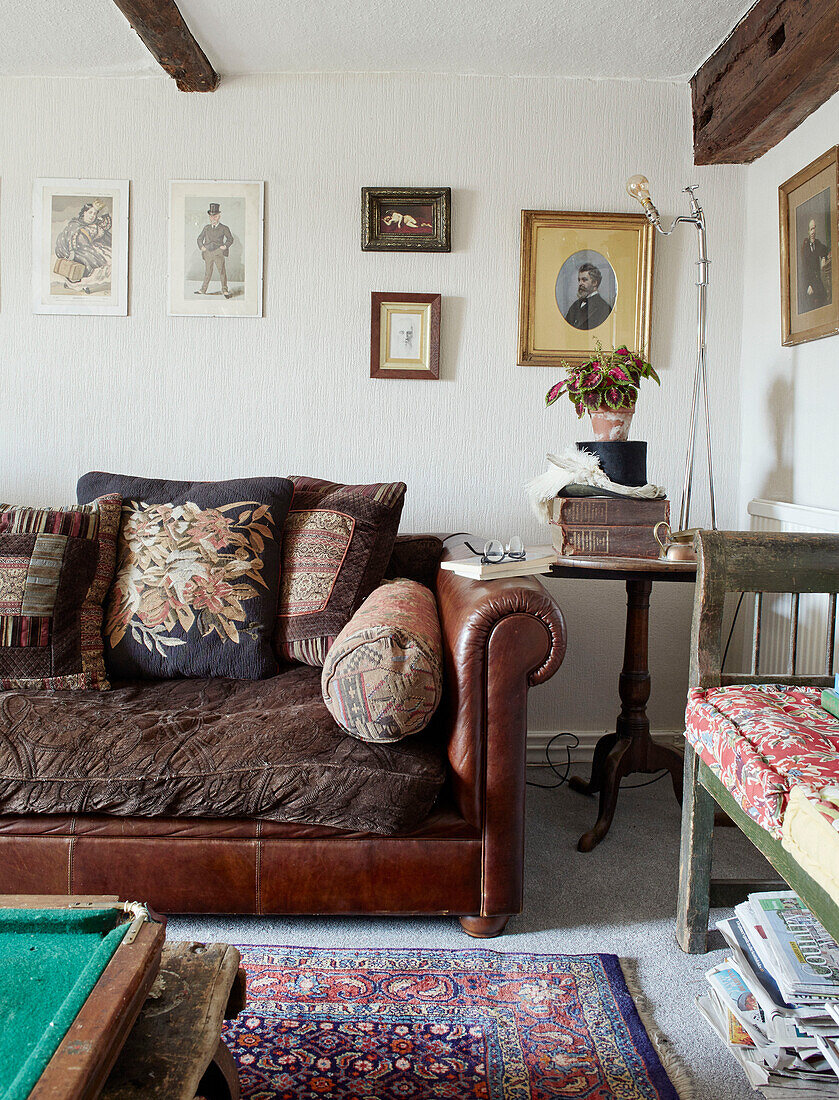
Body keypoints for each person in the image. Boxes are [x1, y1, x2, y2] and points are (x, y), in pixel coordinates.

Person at [54, 199, 112, 293]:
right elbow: (70, 237)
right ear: (84, 213)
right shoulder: (75, 224)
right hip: (72, 250)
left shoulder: (94, 225)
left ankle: (82, 285)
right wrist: (72, 251)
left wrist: (97, 236)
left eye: (94, 214)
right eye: (90, 213)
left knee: (99, 258)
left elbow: (104, 226)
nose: (92, 216)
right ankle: (73, 284)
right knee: (86, 260)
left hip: (86, 248)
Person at [196, 203, 234, 298]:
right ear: (209, 217)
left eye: (215, 216)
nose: (213, 219)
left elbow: (230, 239)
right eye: (211, 216)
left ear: (219, 216)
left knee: (222, 271)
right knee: (208, 272)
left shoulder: (224, 228)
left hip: (218, 252)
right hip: (208, 252)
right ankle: (203, 290)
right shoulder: (206, 228)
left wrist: (225, 246)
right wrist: (202, 247)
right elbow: (199, 239)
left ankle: (225, 290)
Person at [564, 262, 613, 330]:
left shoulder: (604, 308)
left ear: (594, 283)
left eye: (584, 280)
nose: (580, 283)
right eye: (579, 280)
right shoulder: (575, 305)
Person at [799, 218, 830, 313]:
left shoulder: (817, 243)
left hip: (817, 282)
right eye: (811, 229)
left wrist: (824, 257)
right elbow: (805, 269)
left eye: (814, 228)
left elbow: (825, 250)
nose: (813, 232)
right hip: (809, 284)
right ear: (808, 231)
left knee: (825, 299)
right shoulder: (805, 247)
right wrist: (809, 284)